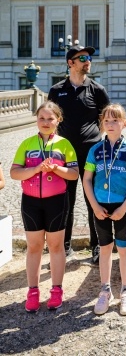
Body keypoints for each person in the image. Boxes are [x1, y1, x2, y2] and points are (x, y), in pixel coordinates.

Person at [10, 101, 79, 312]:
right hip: (30, 202)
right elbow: (14, 173)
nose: (46, 122)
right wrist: (38, 168)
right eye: (42, 118)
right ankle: (32, 291)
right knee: (34, 246)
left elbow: (74, 174)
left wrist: (55, 169)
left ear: (58, 120)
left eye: (50, 118)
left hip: (57, 201)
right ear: (36, 120)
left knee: (56, 246)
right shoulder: (27, 144)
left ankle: (56, 290)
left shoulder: (65, 144)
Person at [48, 44, 110, 264]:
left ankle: (97, 247)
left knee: (94, 200)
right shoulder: (56, 91)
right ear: (70, 63)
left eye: (89, 57)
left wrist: (95, 139)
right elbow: (50, 120)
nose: (87, 60)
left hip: (92, 154)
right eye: (82, 57)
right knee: (65, 201)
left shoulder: (97, 89)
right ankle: (64, 248)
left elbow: (106, 119)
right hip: (64, 156)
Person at [83, 104, 126, 316]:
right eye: (106, 121)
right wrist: (94, 206)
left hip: (121, 207)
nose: (110, 124)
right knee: (105, 249)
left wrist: (123, 208)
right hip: (100, 208)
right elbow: (87, 180)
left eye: (115, 120)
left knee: (124, 249)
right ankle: (105, 290)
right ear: (102, 124)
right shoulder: (95, 150)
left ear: (124, 123)